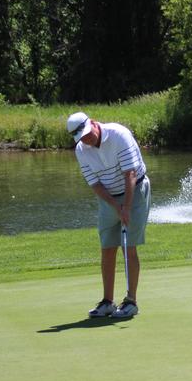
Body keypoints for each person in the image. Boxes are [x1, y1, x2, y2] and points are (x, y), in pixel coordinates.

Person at [66, 112, 151, 318]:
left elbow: (130, 174)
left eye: (88, 134)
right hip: (108, 197)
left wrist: (126, 208)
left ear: (93, 123)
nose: (87, 139)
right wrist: (115, 206)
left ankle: (131, 301)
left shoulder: (118, 135)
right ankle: (107, 302)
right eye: (82, 138)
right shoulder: (81, 150)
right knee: (107, 248)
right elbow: (95, 184)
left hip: (135, 191)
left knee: (128, 247)